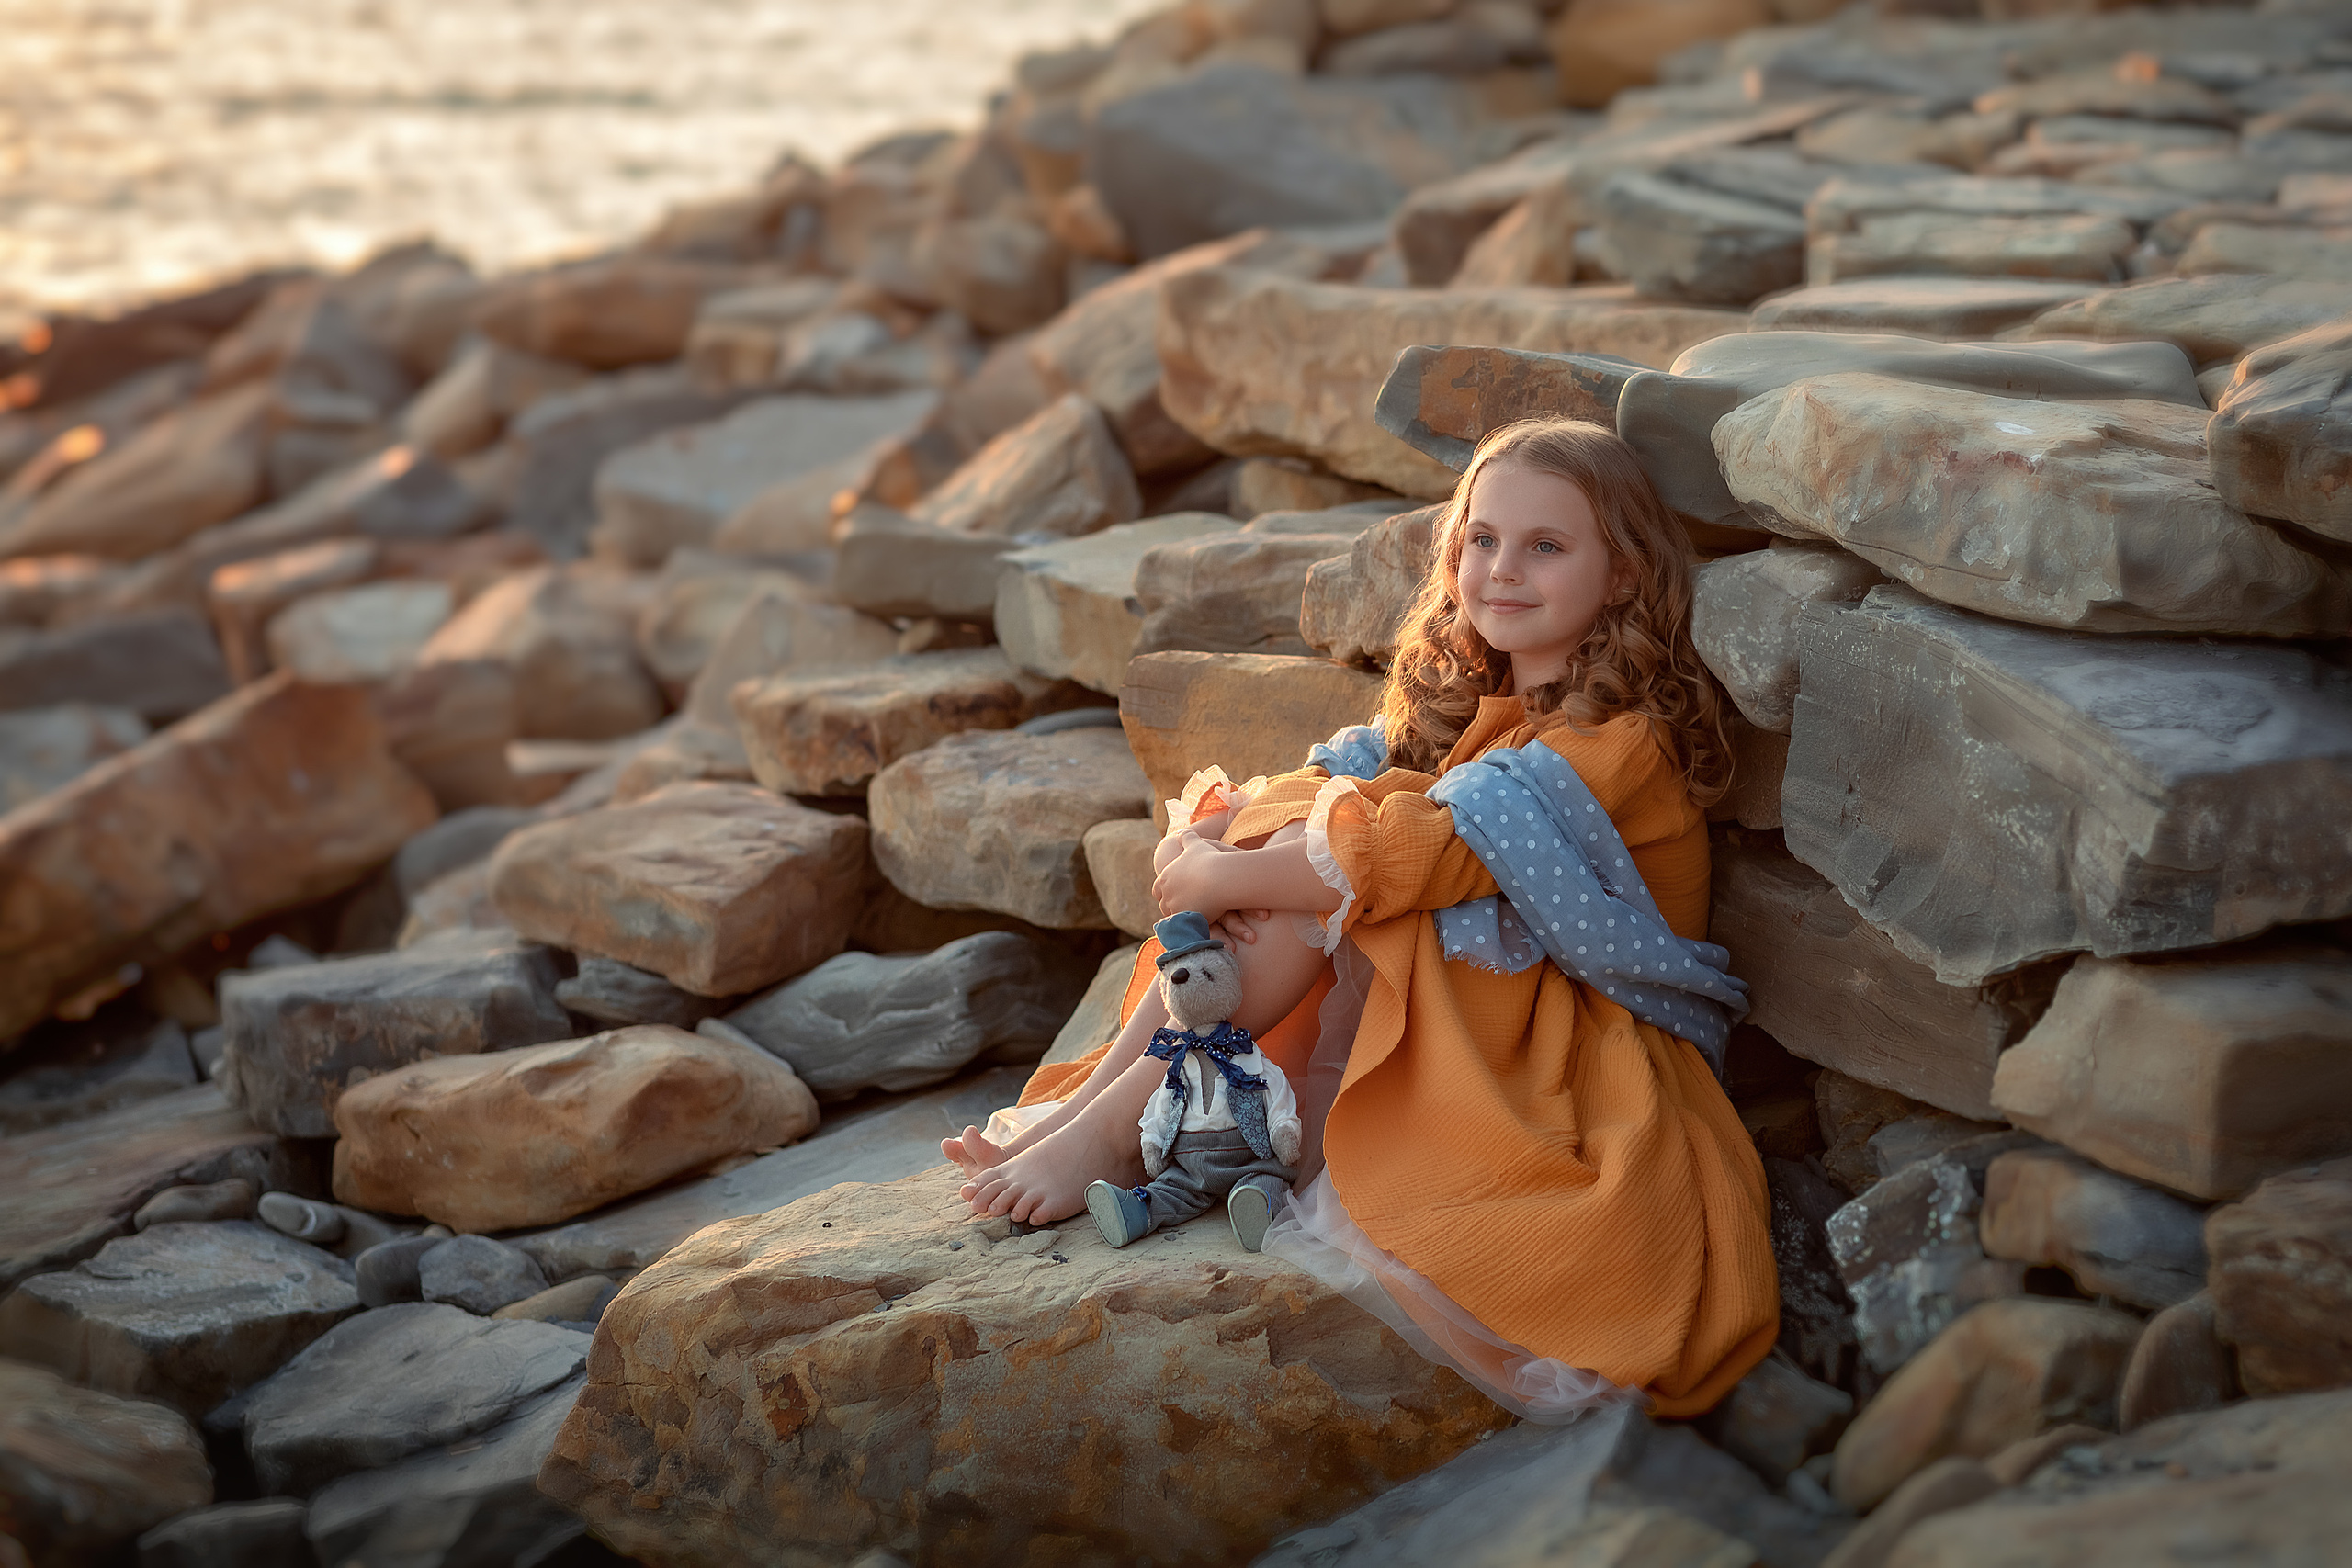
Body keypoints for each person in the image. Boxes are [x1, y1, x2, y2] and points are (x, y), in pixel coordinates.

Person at [944, 415, 1779, 1418]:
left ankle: (1115, 1134)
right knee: (1306, 829)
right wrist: (1217, 849)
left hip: (1568, 1050)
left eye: (1546, 547)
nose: (1502, 569)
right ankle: (1092, 1120)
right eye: (1481, 539)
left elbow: (1426, 854)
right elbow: (1345, 802)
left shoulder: (1620, 742)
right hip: (1476, 1008)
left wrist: (1215, 878)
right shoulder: (1473, 707)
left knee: (1336, 881)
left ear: (1626, 577)